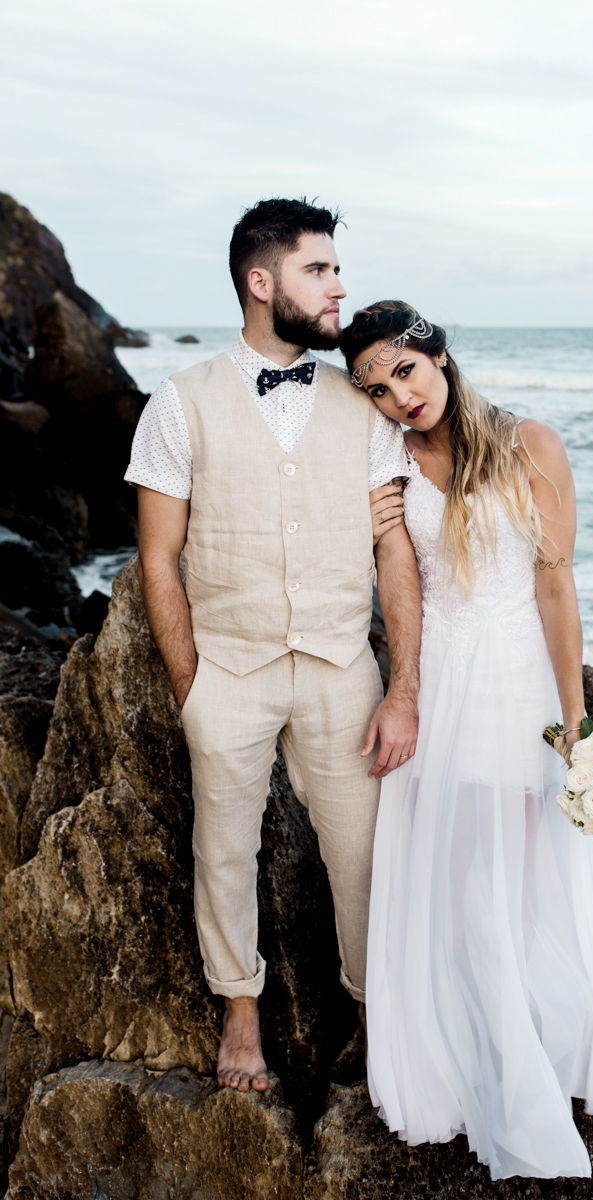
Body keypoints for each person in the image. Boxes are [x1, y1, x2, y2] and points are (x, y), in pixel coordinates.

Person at [340, 300, 593, 1181]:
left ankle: (531, 1029)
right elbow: (402, 589)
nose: (397, 398)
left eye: (406, 372)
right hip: (446, 678)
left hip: (519, 679)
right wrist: (404, 693)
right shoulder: (388, 465)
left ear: (441, 356)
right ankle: (474, 1036)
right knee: (456, 869)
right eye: (375, 388)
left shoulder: (530, 443)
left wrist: (575, 724)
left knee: (525, 860)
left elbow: (556, 588)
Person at [125, 202, 422, 1093]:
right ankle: (240, 1013)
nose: (338, 288)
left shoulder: (362, 403)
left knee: (364, 855)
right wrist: (191, 685)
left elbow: (394, 547)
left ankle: (376, 1017)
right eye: (318, 271)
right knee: (223, 849)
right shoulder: (180, 403)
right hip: (231, 668)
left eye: (337, 270)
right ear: (261, 283)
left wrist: (401, 688)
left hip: (341, 668)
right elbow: (158, 556)